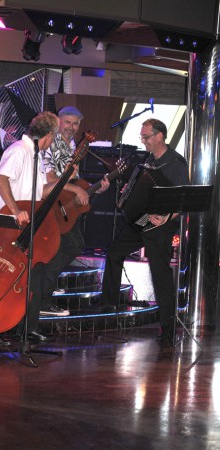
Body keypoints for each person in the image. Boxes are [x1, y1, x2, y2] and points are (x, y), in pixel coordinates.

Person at [98, 118, 190, 344]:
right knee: (114, 252)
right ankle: (108, 302)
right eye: (142, 137)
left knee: (160, 273)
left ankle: (168, 326)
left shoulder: (175, 163)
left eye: (146, 137)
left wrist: (167, 216)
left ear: (160, 136)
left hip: (161, 224)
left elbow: (183, 199)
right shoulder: (150, 160)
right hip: (143, 220)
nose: (143, 141)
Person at [0, 111, 62, 341]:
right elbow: (1, 179)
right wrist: (15, 210)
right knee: (7, 275)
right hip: (10, 222)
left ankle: (27, 327)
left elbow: (41, 191)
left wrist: (63, 182)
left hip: (26, 224)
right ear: (49, 135)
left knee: (33, 275)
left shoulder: (36, 156)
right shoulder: (19, 150)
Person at [40, 106, 109, 316]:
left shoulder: (71, 145)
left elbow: (69, 178)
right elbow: (50, 179)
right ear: (58, 121)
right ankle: (42, 297)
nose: (71, 127)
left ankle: (45, 288)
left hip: (64, 203)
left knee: (63, 246)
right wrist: (76, 188)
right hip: (49, 202)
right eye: (67, 122)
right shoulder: (51, 143)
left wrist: (94, 188)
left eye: (75, 123)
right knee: (72, 245)